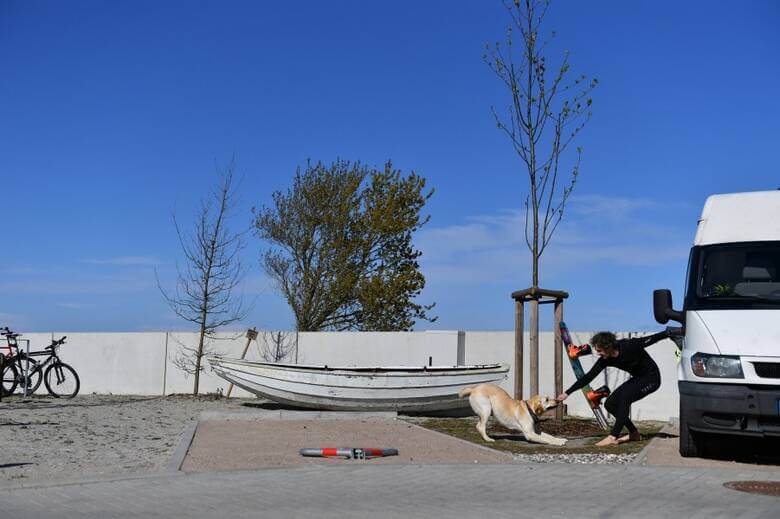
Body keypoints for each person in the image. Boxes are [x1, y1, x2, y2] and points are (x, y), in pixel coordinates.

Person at [556, 329, 672, 446]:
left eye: (600, 350)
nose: (598, 354)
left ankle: (613, 437)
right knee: (610, 404)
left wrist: (668, 333)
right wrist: (567, 392)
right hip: (637, 379)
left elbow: (652, 339)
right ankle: (634, 433)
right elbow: (588, 377)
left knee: (625, 397)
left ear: (609, 347)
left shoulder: (629, 345)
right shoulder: (605, 360)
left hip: (652, 379)